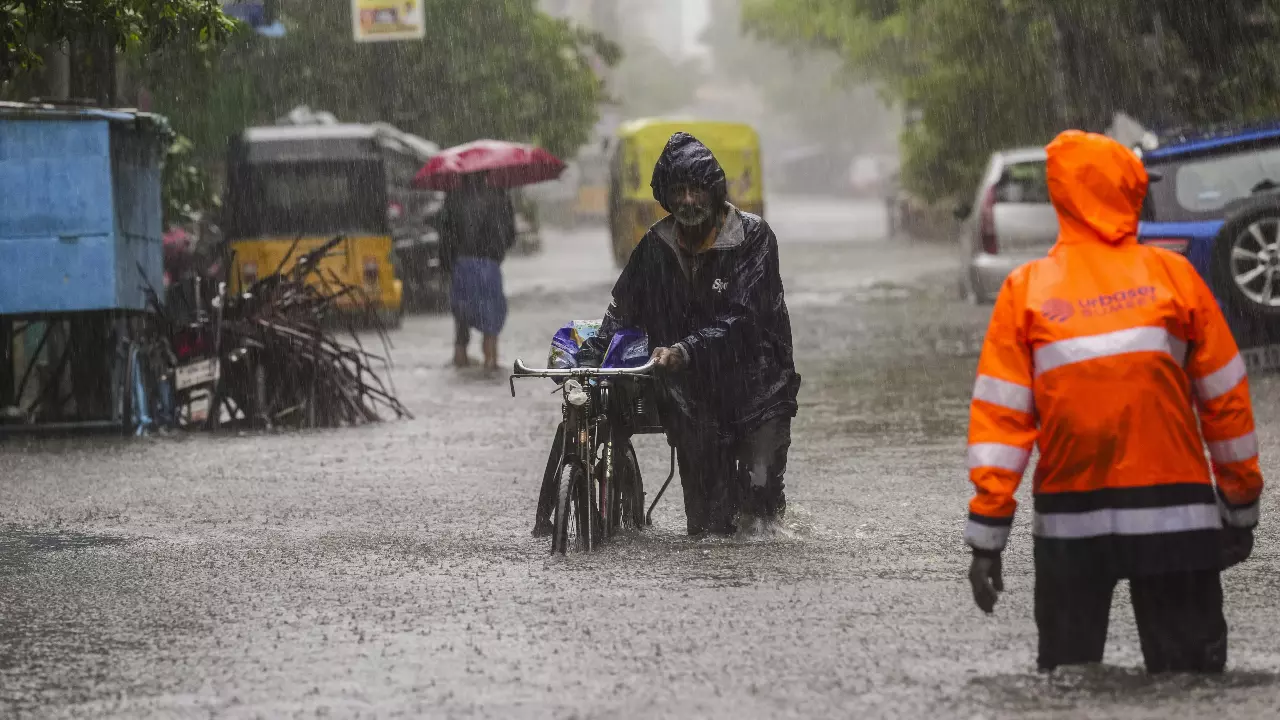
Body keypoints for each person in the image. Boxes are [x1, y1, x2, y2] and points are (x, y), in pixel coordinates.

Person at [964, 130, 1264, 673]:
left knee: (1068, 683)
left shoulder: (1025, 291)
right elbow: (1226, 403)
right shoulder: (1175, 278)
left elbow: (1001, 424)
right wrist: (1240, 510)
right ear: (1131, 190)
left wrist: (988, 539)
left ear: (1059, 198)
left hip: (1070, 526)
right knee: (1190, 685)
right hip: (1177, 520)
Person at [567, 131, 801, 536]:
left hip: (760, 388)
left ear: (714, 192)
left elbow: (745, 319)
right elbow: (623, 310)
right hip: (693, 398)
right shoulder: (656, 246)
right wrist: (593, 354)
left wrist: (687, 348)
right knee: (706, 525)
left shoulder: (754, 238)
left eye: (697, 190)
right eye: (679, 191)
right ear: (666, 198)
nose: (689, 200)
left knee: (760, 516)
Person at [437, 172, 517, 371]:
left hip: (462, 264)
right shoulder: (499, 196)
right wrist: (496, 250)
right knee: (491, 318)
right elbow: (510, 235)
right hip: (489, 265)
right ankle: (491, 361)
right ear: (486, 175)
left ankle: (460, 357)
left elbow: (445, 236)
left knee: (462, 314)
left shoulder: (452, 198)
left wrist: (446, 264)